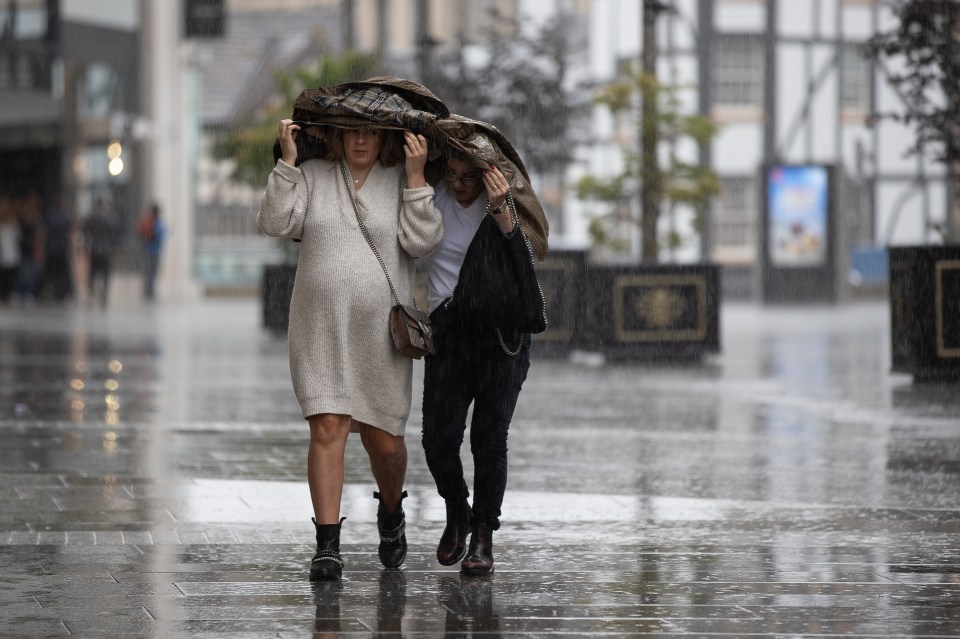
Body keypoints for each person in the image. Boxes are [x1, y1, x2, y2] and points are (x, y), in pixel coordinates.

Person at [257, 119, 443, 581]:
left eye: (371, 133)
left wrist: (417, 177)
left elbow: (423, 242)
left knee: (386, 444)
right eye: (352, 132)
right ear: (337, 136)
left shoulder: (400, 178)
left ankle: (392, 510)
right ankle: (327, 545)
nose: (361, 140)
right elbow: (274, 222)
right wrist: (287, 161)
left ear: (384, 139)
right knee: (327, 427)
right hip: (318, 327)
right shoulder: (315, 174)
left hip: (381, 335)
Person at [420, 152, 544, 575]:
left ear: (487, 174)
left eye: (468, 178)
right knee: (437, 438)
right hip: (449, 334)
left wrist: (503, 213)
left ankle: (482, 534)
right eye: (452, 176)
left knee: (489, 440)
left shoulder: (505, 205)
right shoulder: (431, 197)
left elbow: (526, 272)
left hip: (499, 338)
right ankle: (457, 506)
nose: (459, 186)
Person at [82, 197, 119, 308]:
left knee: (93, 273)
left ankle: (92, 294)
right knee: (106, 274)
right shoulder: (111, 218)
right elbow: (116, 234)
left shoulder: (92, 218)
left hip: (95, 249)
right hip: (107, 250)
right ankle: (104, 295)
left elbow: (85, 232)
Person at [138, 203, 164, 300]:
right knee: (152, 272)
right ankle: (150, 292)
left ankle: (148, 291)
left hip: (147, 250)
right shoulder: (157, 223)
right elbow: (160, 235)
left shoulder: (148, 221)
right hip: (154, 251)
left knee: (149, 272)